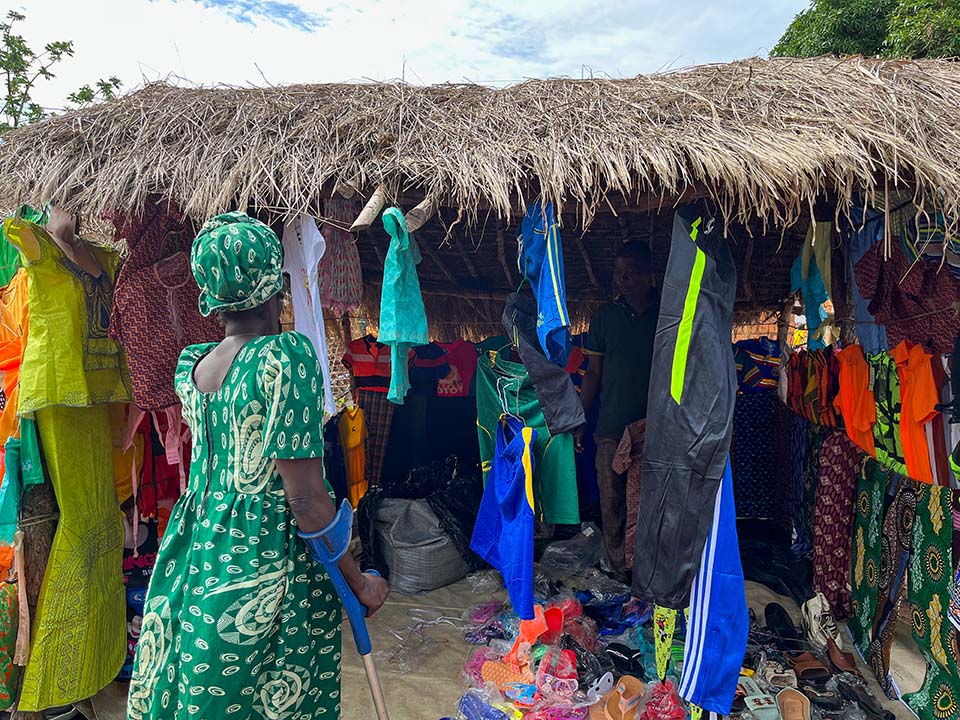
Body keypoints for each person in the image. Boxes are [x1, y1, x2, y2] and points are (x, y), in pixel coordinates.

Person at [127, 212, 388, 720]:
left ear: (210, 295)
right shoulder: (283, 359)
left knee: (212, 687)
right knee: (276, 696)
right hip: (267, 553)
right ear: (276, 286)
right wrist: (360, 583)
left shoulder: (195, 367)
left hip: (200, 545)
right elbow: (306, 499)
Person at [577, 242, 659, 583]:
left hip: (655, 429)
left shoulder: (666, 316)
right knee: (612, 504)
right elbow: (593, 373)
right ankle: (618, 574)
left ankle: (650, 571)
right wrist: (580, 419)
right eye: (618, 274)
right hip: (611, 427)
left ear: (649, 275)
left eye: (631, 273)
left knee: (652, 505)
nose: (623, 281)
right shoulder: (605, 317)